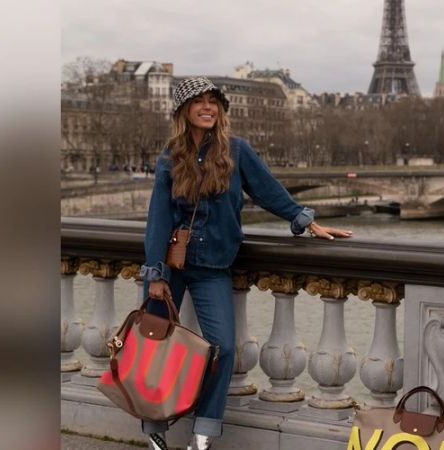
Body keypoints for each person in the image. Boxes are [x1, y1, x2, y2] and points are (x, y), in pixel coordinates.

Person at [138, 76, 352, 450]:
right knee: (155, 344)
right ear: (183, 111)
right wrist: (155, 273)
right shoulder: (170, 157)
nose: (208, 107)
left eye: (213, 102)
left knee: (221, 347)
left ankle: (203, 431)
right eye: (199, 102)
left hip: (213, 266)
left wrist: (306, 220)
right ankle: (154, 426)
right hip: (170, 265)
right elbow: (158, 217)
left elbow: (269, 190)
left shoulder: (237, 151)